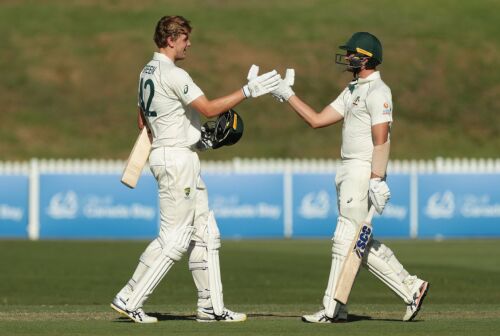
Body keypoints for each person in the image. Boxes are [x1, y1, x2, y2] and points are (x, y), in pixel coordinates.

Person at [110, 15, 281, 323]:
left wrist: (195, 138)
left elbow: (142, 121)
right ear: (171, 39)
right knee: (175, 239)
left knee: (206, 233)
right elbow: (209, 109)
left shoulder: (145, 71)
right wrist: (248, 91)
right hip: (177, 160)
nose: (189, 43)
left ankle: (210, 307)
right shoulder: (174, 74)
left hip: (171, 153)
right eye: (185, 37)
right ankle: (132, 299)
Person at [271, 32, 429, 323]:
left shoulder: (378, 91)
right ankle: (409, 287)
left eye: (351, 54)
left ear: (365, 58)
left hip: (362, 170)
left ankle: (332, 308)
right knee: (358, 242)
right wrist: (287, 95)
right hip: (348, 170)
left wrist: (377, 178)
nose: (346, 58)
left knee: (345, 239)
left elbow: (381, 139)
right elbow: (317, 120)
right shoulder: (353, 89)